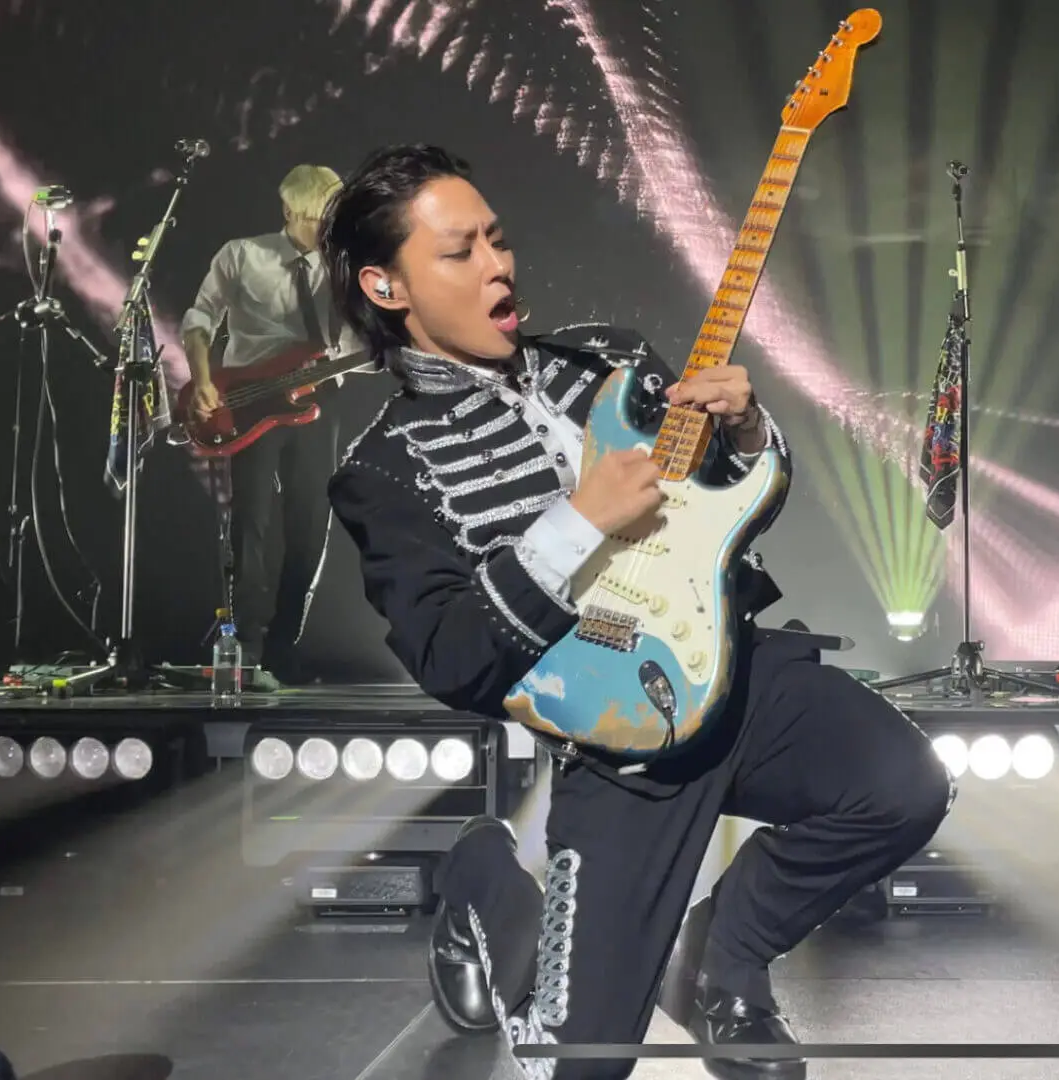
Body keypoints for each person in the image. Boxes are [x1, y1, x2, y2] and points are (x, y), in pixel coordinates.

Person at [320, 144, 953, 1080]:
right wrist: (575, 524)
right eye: (460, 252)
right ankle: (483, 882)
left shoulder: (609, 357)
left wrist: (746, 436)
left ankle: (719, 957)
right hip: (617, 738)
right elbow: (454, 659)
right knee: (572, 1068)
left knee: (904, 786)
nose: (499, 265)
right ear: (387, 286)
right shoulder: (384, 468)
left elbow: (723, 511)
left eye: (498, 239)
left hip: (736, 670)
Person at [180, 164, 360, 687]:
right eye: (312, 220)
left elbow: (359, 343)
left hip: (317, 399)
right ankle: (246, 646)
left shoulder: (347, 265)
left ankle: (285, 645)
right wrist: (203, 377)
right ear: (287, 212)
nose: (323, 229)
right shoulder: (242, 254)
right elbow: (199, 317)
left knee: (311, 523)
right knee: (250, 522)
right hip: (248, 400)